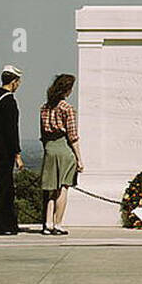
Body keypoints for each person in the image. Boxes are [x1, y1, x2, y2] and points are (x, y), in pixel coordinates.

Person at [40, 73, 83, 235]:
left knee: (51, 188)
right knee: (63, 188)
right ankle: (58, 223)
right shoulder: (67, 109)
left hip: (50, 148)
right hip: (64, 148)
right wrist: (79, 159)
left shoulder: (44, 108)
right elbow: (73, 136)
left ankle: (47, 223)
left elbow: (43, 134)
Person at [0, 65, 24, 235]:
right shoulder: (8, 101)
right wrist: (17, 154)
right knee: (3, 187)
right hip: (6, 150)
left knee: (4, 185)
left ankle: (6, 223)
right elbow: (12, 130)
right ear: (14, 82)